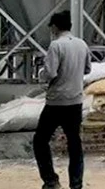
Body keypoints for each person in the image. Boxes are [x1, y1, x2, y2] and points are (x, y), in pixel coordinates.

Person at [33, 10, 91, 189]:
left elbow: (50, 73)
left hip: (56, 102)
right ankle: (76, 184)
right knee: (75, 144)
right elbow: (88, 69)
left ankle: (51, 181)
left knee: (40, 140)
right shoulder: (82, 44)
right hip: (75, 101)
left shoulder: (56, 46)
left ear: (55, 27)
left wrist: (42, 73)